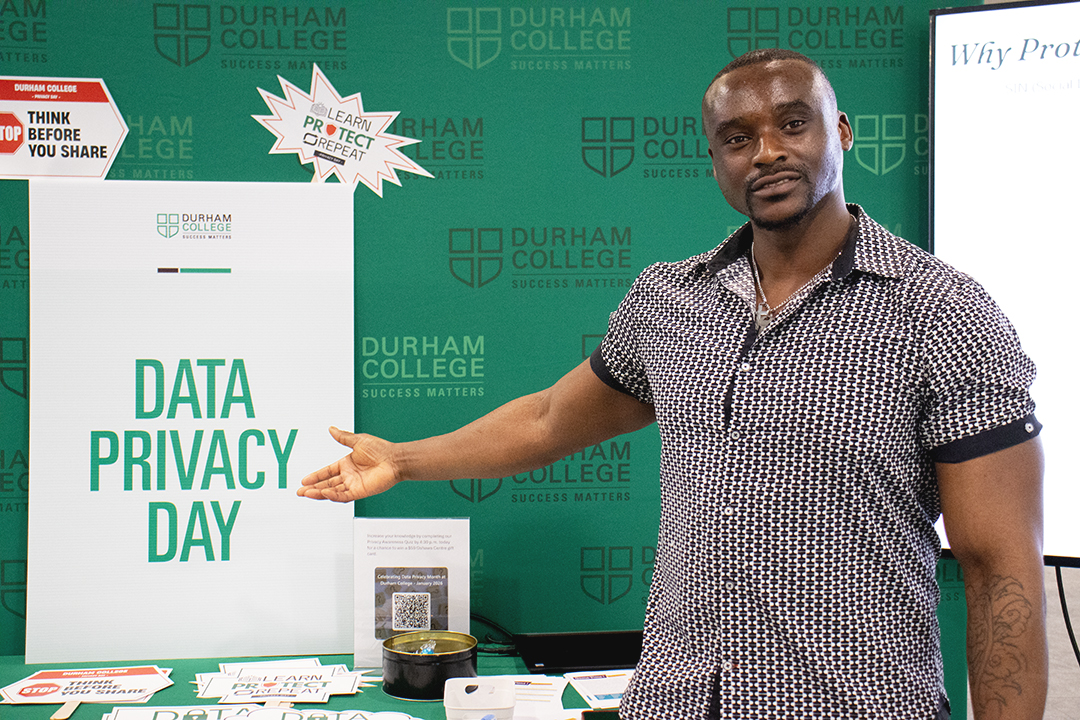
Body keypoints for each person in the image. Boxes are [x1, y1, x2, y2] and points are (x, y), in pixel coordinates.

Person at [298, 49, 1047, 720]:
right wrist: (404, 460)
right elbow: (548, 420)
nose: (768, 153)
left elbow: (999, 567)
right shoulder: (668, 301)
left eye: (794, 123)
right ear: (715, 158)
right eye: (738, 138)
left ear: (841, 132)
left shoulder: (944, 312)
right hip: (675, 698)